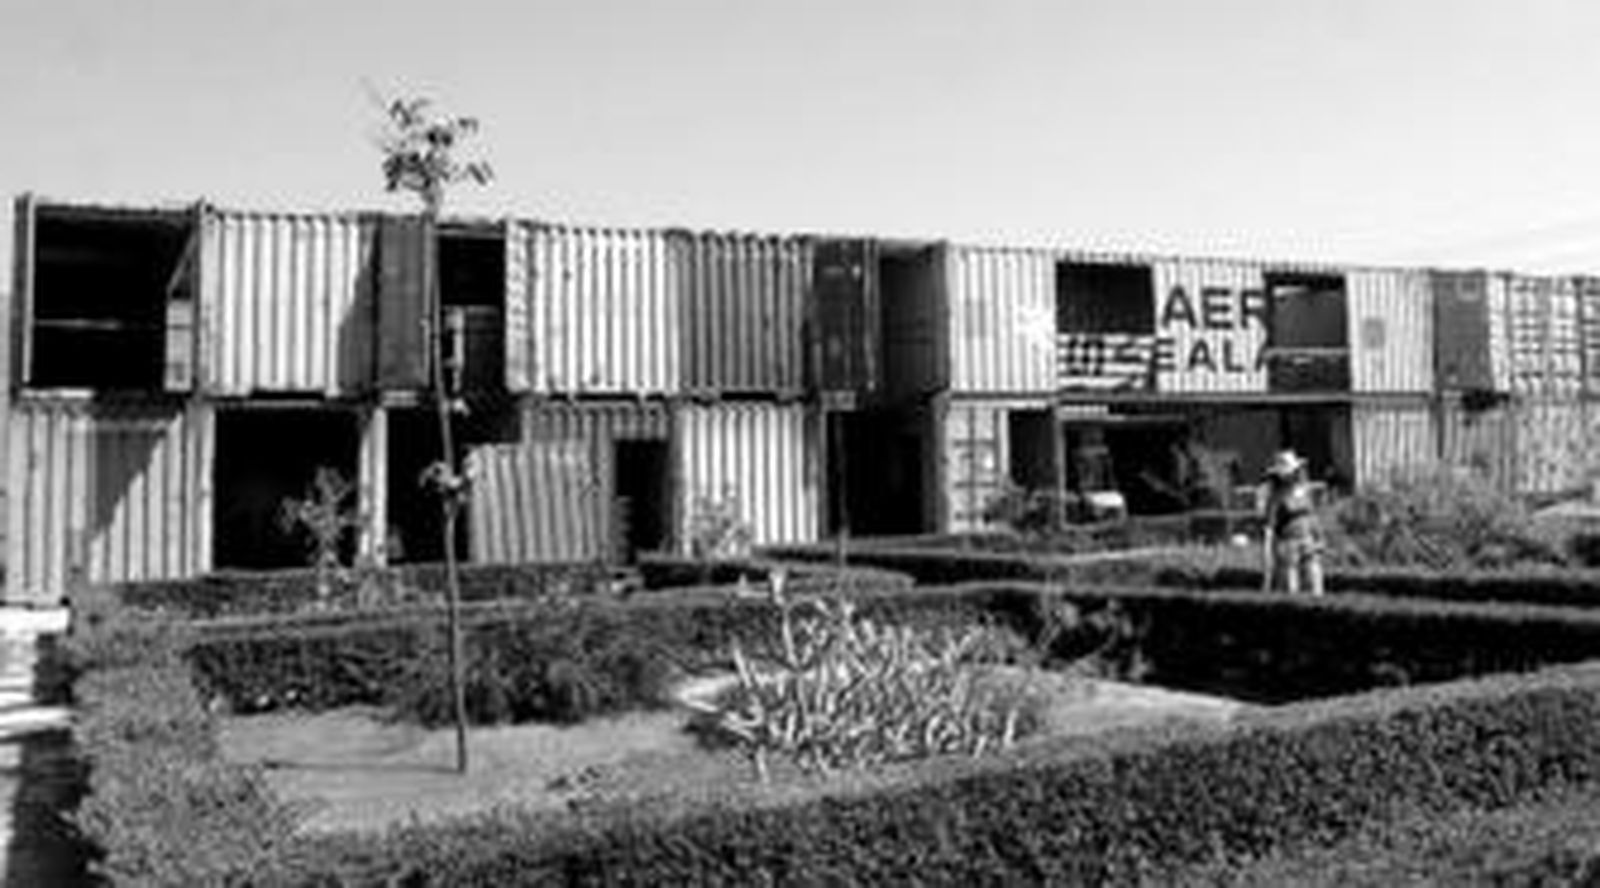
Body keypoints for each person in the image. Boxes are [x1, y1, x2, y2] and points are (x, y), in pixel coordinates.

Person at [1260, 449, 1325, 596]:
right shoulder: (1276, 497)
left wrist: (1320, 537)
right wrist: (1267, 555)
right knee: (1291, 589)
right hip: (1288, 545)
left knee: (1316, 586)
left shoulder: (1305, 491)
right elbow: (1269, 528)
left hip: (1308, 541)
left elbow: (1312, 516)